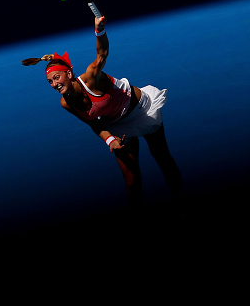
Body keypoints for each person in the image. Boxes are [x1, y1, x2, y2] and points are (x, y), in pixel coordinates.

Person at [22, 15, 186, 219]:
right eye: (50, 82)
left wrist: (99, 30)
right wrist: (110, 140)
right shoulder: (66, 103)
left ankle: (183, 204)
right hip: (118, 125)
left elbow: (102, 53)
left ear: (69, 74)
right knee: (130, 178)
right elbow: (93, 123)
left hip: (142, 111)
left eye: (57, 77)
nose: (54, 84)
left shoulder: (91, 78)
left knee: (162, 158)